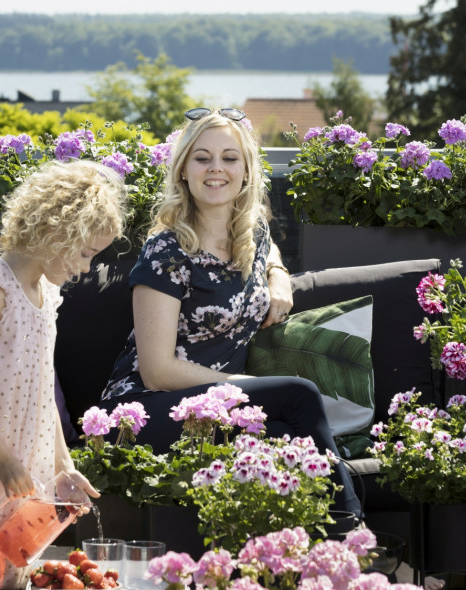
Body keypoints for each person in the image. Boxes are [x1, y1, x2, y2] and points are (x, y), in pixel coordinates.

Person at [101, 107, 363, 519]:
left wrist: (278, 273)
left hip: (218, 405)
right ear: (183, 170)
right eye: (202, 157)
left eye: (229, 157)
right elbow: (156, 370)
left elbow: (269, 246)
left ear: (246, 171)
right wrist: (239, 384)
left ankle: (308, 555)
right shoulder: (167, 251)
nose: (215, 168)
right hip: (148, 409)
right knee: (299, 395)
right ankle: (350, 532)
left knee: (281, 436)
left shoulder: (251, 233)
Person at [0, 160, 128, 590]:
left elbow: (40, 390)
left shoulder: (47, 293)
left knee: (9, 570)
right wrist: (2, 460)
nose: (87, 267)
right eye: (85, 252)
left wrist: (63, 465)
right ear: (56, 231)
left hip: (18, 460)